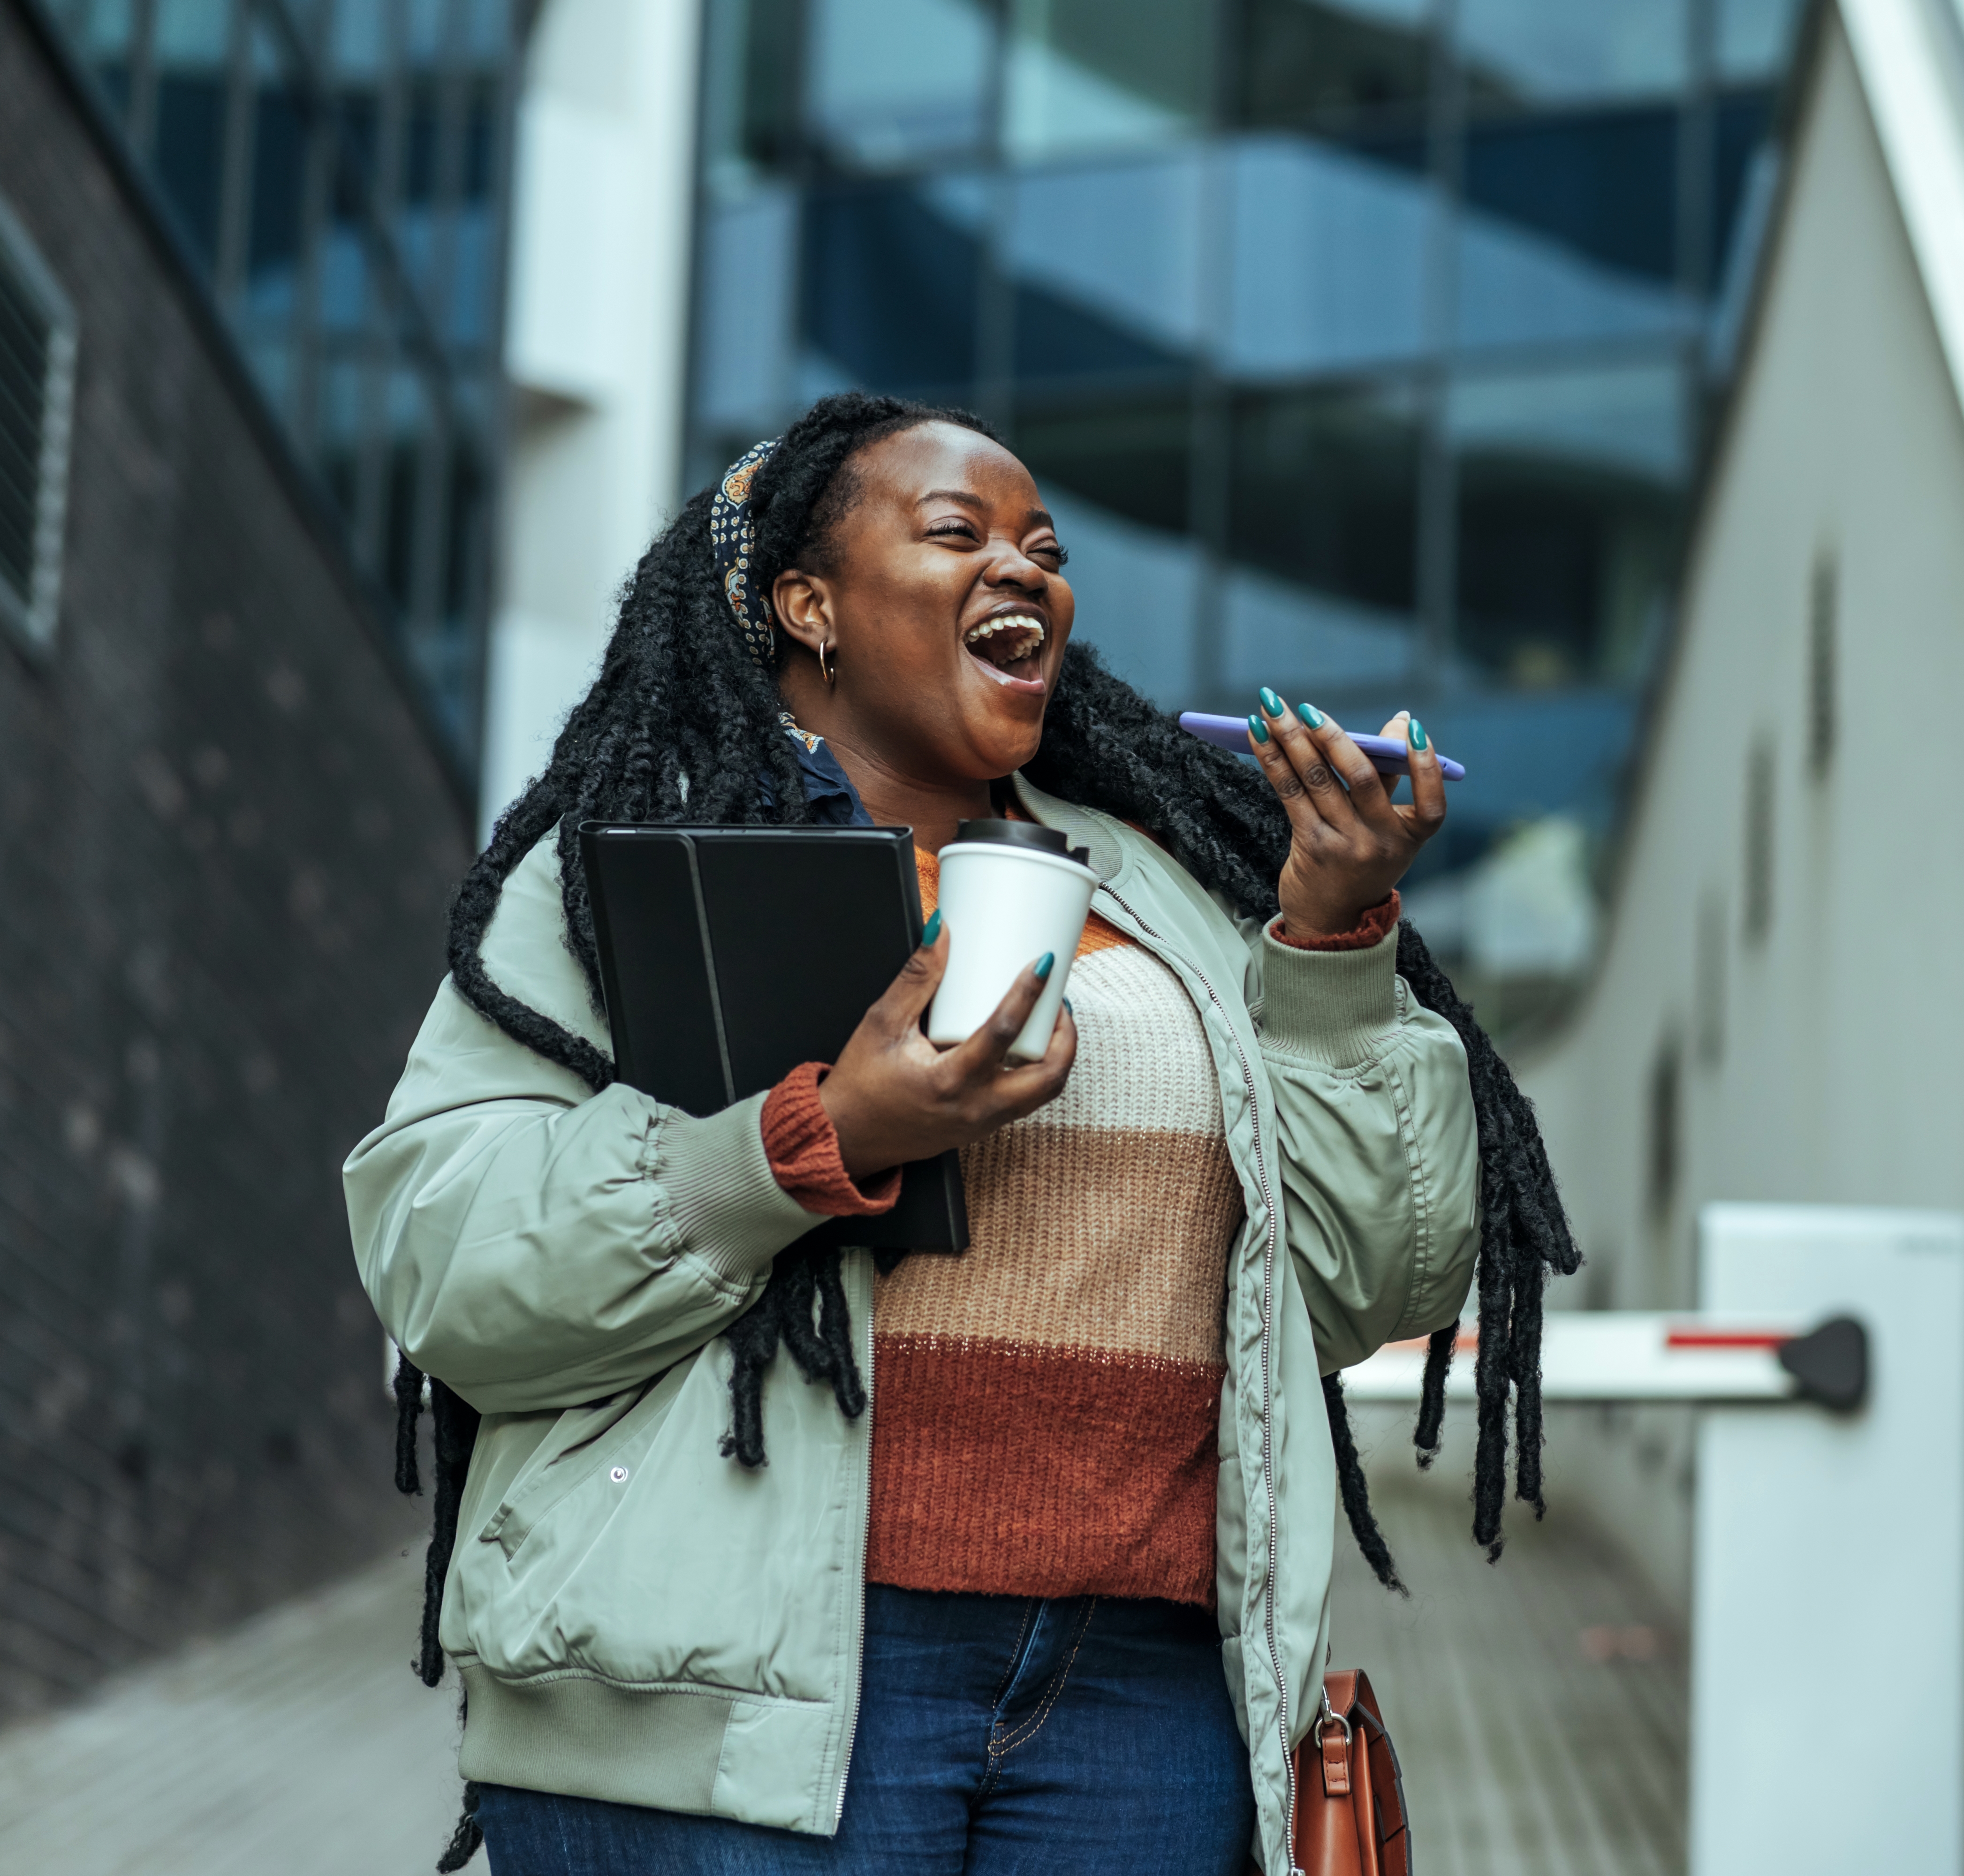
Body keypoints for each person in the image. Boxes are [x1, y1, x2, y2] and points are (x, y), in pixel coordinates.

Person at [343, 393, 1578, 1876]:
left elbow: (1374, 1283)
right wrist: (812, 1140)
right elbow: (448, 1260)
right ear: (811, 607)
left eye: (1045, 548)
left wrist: (1326, 942)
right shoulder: (622, 868)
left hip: (1136, 1700)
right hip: (738, 1702)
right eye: (957, 533)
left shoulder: (1178, 897)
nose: (1026, 570)